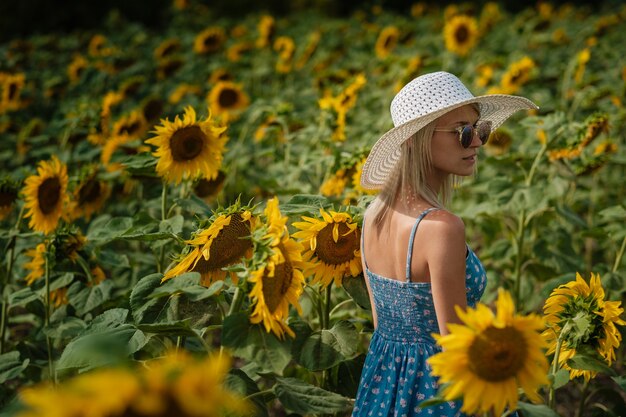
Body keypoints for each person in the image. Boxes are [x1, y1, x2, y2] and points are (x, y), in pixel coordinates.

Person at [352, 71, 538, 416]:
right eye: (463, 133)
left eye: (479, 129)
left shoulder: (372, 216)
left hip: (383, 385)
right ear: (416, 139)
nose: (478, 143)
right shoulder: (442, 229)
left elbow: (383, 326)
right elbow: (458, 344)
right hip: (441, 390)